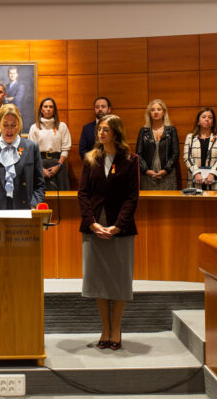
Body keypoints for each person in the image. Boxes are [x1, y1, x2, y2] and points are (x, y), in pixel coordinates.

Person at [78, 114, 139, 350]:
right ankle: (105, 328)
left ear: (116, 132)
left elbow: (132, 197)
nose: (101, 133)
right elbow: (82, 194)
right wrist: (92, 223)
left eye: (105, 129)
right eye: (99, 130)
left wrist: (118, 225)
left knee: (119, 279)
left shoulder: (130, 160)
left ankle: (116, 328)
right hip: (94, 226)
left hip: (119, 227)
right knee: (99, 279)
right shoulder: (91, 158)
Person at [0, 104, 46, 210]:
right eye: (5, 125)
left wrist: (33, 205)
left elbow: (40, 185)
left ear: (19, 125)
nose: (9, 130)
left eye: (13, 125)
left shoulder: (31, 147)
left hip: (24, 211)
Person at [28, 97, 72, 191]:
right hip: (40, 165)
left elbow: (65, 149)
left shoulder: (62, 126)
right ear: (41, 109)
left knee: (62, 201)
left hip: (58, 165)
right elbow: (32, 151)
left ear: (54, 110)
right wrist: (41, 169)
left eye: (51, 107)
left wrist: (58, 166)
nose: (48, 109)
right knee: (40, 198)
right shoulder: (34, 127)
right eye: (45, 106)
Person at [136, 99, 178, 190]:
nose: (156, 112)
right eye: (153, 110)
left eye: (159, 109)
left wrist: (166, 170)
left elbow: (175, 153)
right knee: (149, 202)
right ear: (149, 113)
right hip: (148, 174)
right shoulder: (144, 131)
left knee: (168, 202)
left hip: (167, 173)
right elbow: (138, 154)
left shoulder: (171, 130)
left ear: (164, 112)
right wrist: (146, 170)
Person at [183, 108, 217, 190]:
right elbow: (187, 157)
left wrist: (212, 173)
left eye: (210, 117)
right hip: (196, 180)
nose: (207, 119)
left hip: (214, 180)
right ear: (198, 121)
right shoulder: (190, 137)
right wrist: (196, 173)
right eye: (204, 117)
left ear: (213, 122)